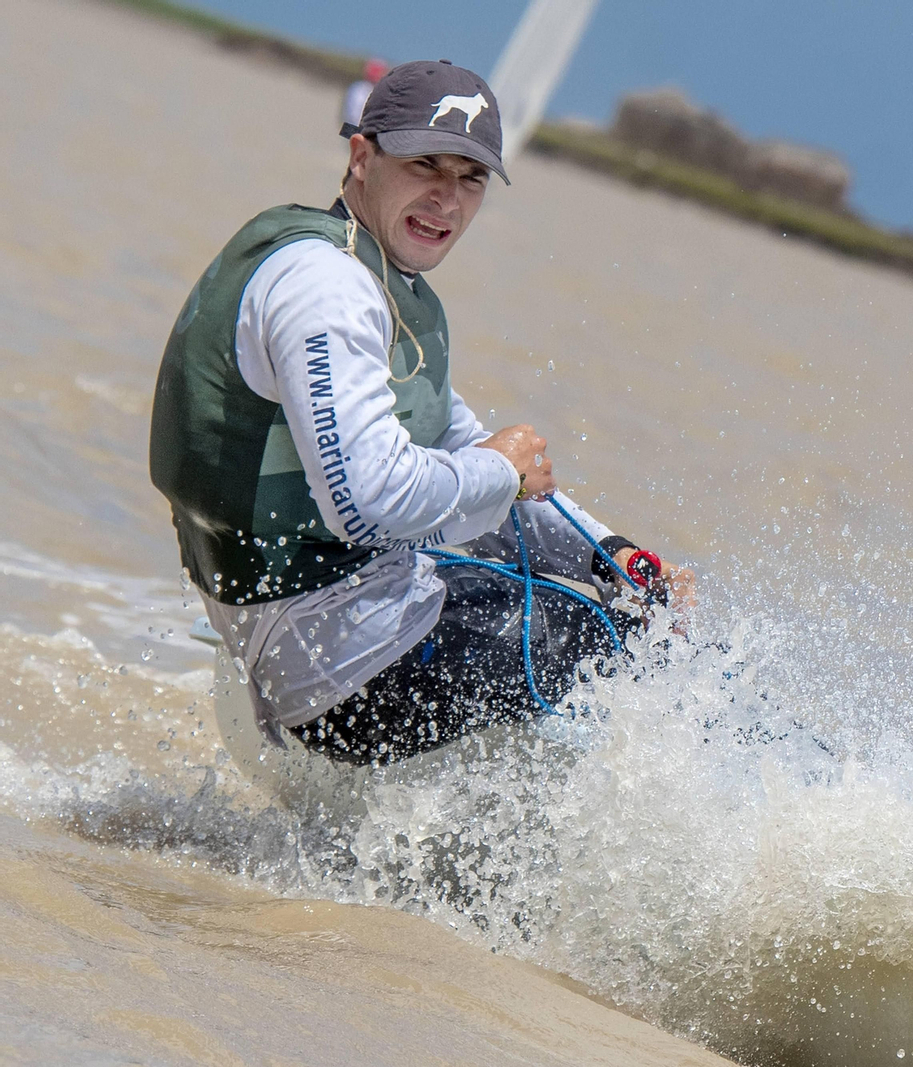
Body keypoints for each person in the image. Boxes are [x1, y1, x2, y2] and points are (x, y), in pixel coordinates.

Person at [150, 60, 691, 766]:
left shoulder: (359, 270)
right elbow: (370, 501)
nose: (447, 199)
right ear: (362, 157)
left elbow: (455, 441)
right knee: (608, 627)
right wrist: (500, 469)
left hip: (300, 635)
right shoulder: (328, 290)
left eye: (470, 179)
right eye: (425, 166)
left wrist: (613, 550)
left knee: (609, 584)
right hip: (340, 680)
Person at [342, 58, 389, 133]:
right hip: (354, 129)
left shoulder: (382, 91)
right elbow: (352, 114)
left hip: (357, 129)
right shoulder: (358, 89)